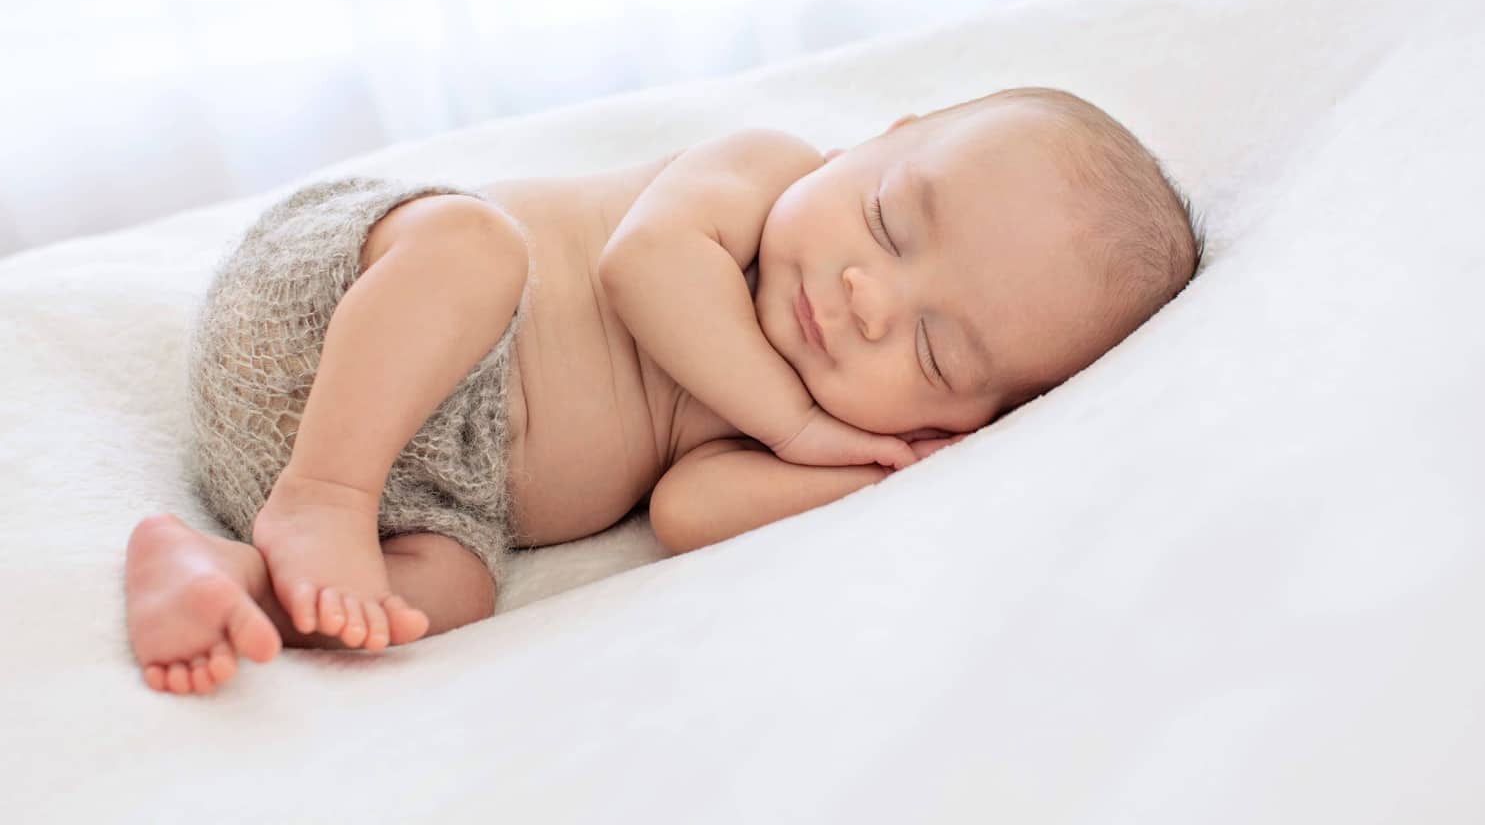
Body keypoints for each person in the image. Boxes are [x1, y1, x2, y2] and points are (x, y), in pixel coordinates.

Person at [124, 85, 1204, 695]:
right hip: (345, 306)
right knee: (473, 245)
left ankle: (228, 576)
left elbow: (687, 510)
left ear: (966, 419)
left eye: (935, 354)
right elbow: (639, 266)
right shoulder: (760, 172)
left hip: (433, 494)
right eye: (887, 220)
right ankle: (321, 491)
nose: (871, 298)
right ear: (880, 138)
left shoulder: (826, 433)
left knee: (448, 594)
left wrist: (865, 470)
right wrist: (796, 419)